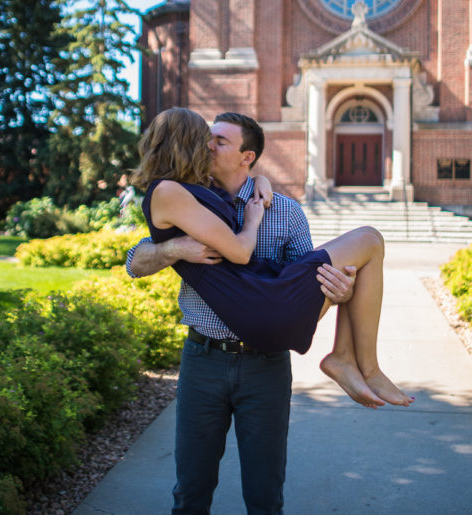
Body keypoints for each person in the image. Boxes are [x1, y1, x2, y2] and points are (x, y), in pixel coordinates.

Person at [127, 108, 410, 513]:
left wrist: (342, 291)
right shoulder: (183, 192)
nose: (209, 144)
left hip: (265, 364)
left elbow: (306, 275)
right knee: (191, 489)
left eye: (220, 141)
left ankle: (349, 358)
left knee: (265, 493)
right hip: (203, 359)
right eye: (207, 138)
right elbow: (135, 260)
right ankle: (352, 361)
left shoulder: (284, 210)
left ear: (247, 157)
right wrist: (173, 249)